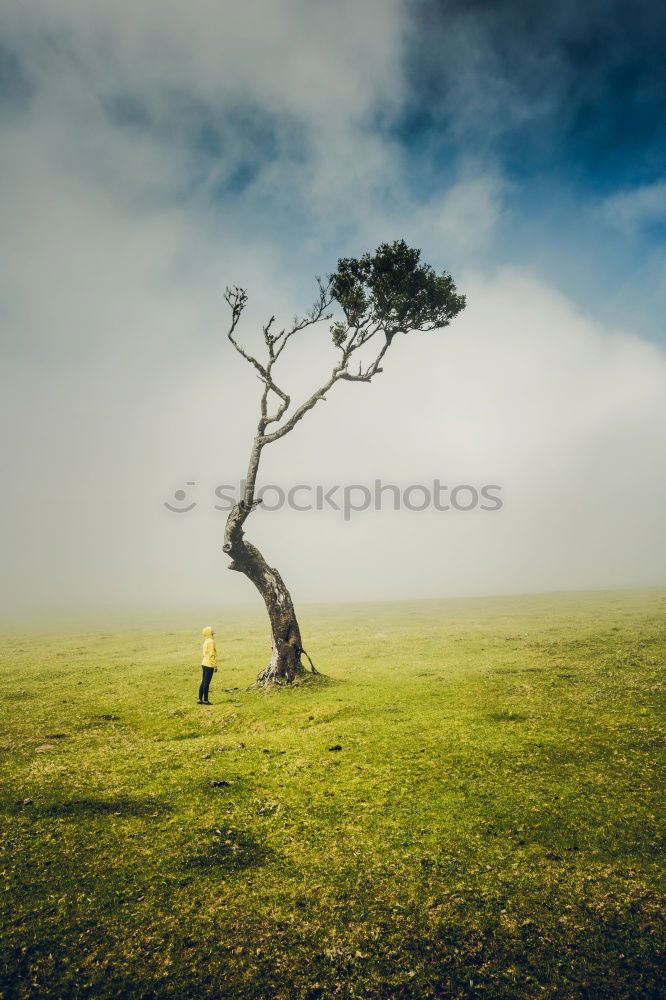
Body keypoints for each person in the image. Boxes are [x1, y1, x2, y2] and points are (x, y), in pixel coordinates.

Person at [198, 626, 217, 705]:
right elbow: (211, 654)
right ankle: (205, 700)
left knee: (203, 682)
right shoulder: (211, 641)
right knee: (207, 683)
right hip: (209, 664)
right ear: (209, 633)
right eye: (211, 631)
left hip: (204, 663)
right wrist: (214, 665)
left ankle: (200, 699)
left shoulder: (206, 641)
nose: (213, 632)